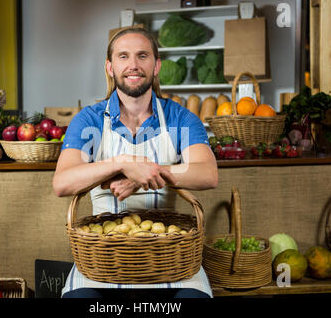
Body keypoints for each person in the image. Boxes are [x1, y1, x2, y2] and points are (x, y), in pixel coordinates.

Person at [52, 27, 218, 298]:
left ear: (156, 66)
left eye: (142, 56)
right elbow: (62, 182)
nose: (133, 65)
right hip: (103, 262)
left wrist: (145, 174)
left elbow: (207, 174)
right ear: (109, 67)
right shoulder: (89, 119)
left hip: (170, 260)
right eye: (123, 56)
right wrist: (122, 163)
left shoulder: (181, 118)